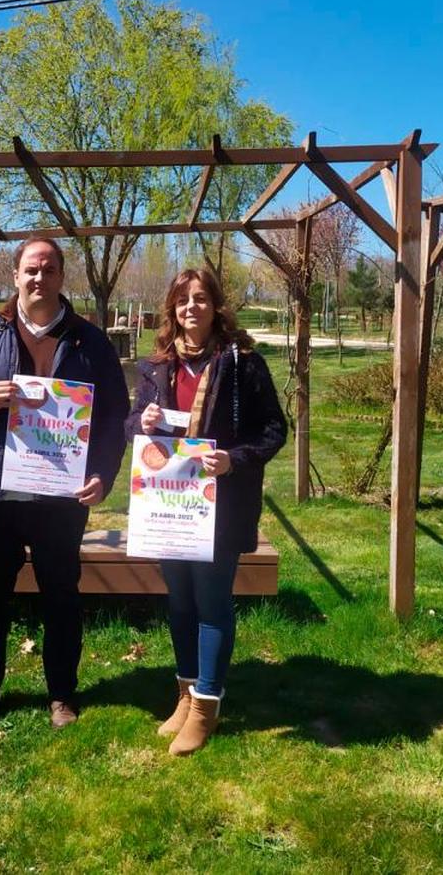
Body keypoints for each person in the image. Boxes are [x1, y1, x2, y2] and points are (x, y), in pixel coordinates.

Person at [0, 237, 129, 741]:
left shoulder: (91, 343)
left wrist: (103, 474)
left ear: (62, 277)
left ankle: (61, 693)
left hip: (58, 499)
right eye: (30, 270)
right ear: (15, 275)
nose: (39, 278)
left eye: (49, 269)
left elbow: (112, 420)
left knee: (61, 597)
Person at [125, 268, 287, 756]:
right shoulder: (157, 367)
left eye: (200, 299)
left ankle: (207, 706)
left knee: (213, 603)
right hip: (169, 505)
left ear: (216, 306)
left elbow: (274, 430)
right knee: (180, 602)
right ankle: (185, 693)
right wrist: (143, 420)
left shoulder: (243, 364)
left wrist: (232, 460)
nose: (190, 308)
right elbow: (133, 424)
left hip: (221, 504)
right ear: (171, 310)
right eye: (181, 301)